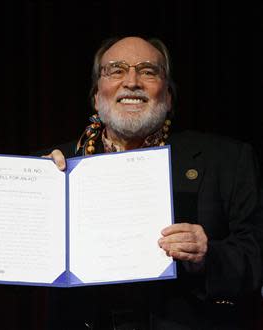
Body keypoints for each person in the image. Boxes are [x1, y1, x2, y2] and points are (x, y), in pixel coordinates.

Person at [42, 36, 263, 329]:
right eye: (116, 70)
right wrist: (39, 194)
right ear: (97, 96)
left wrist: (206, 256)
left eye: (148, 71)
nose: (132, 81)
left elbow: (256, 257)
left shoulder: (226, 159)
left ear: (168, 97)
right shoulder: (57, 166)